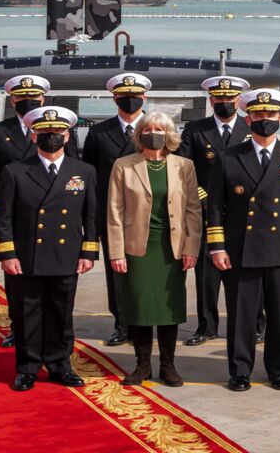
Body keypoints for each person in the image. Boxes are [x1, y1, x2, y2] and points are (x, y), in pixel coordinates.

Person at [206, 88, 280, 392]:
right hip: (241, 248)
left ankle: (278, 370)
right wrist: (217, 246)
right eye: (257, 114)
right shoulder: (229, 157)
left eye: (270, 114)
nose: (264, 119)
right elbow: (215, 206)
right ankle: (240, 371)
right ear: (248, 117)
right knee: (242, 313)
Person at [0, 106, 99, 392]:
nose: (51, 136)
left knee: (61, 315)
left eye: (56, 132)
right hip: (27, 256)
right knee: (28, 316)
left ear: (67, 136)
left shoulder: (83, 171)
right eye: (44, 132)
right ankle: (27, 369)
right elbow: (3, 217)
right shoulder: (15, 171)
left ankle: (59, 366)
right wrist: (7, 254)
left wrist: (89, 252)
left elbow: (91, 216)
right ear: (32, 136)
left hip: (66, 255)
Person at [0, 74, 78, 348]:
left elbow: (75, 170)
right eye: (22, 99)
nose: (28, 102)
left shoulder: (58, 132)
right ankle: (18, 326)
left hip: (55, 212)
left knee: (58, 278)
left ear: (42, 100)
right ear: (13, 101)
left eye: (33, 98)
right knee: (17, 277)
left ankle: (55, 331)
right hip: (17, 213)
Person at [107, 112, 202, 387]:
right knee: (140, 307)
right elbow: (114, 211)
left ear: (169, 134)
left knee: (168, 307)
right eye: (147, 129)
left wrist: (191, 246)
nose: (153, 133)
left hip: (171, 247)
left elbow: (193, 209)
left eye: (159, 129)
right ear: (139, 134)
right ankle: (142, 365)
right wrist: (116, 252)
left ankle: (168, 365)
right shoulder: (124, 165)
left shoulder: (184, 166)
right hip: (138, 248)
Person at [176, 75, 251, 347]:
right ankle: (206, 326)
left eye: (230, 99)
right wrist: (203, 197)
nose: (225, 103)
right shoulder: (196, 130)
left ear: (239, 101)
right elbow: (183, 169)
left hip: (244, 214)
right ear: (211, 100)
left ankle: (254, 324)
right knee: (207, 276)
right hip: (208, 212)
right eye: (219, 98)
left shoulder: (250, 127)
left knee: (246, 274)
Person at [82, 72, 152, 347]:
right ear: (114, 98)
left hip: (148, 213)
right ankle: (121, 323)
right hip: (112, 214)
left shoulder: (156, 128)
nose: (130, 100)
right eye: (124, 96)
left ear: (144, 97)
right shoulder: (99, 132)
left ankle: (145, 320)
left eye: (135, 96)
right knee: (117, 272)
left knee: (147, 271)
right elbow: (89, 175)